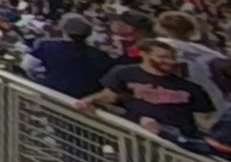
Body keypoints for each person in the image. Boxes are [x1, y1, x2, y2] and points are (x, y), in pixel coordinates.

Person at [81, 39, 215, 142]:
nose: (170, 62)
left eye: (172, 58)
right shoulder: (124, 73)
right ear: (144, 55)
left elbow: (204, 120)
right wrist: (90, 100)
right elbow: (109, 95)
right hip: (137, 134)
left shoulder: (190, 87)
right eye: (162, 57)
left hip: (177, 140)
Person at [24, 13, 118, 99]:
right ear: (88, 34)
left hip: (51, 94)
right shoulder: (101, 55)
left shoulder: (47, 46)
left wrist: (44, 78)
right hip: (83, 100)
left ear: (63, 30)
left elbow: (28, 66)